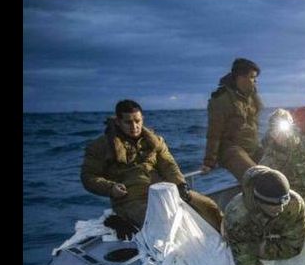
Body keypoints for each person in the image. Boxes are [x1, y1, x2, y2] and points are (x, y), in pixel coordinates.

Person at [81, 99, 223, 236]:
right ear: (118, 122)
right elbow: (88, 177)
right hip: (130, 199)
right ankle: (120, 220)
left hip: (163, 191)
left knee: (209, 206)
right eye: (128, 122)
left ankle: (229, 240)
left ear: (142, 118)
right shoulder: (100, 146)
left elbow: (169, 165)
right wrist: (110, 188)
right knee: (163, 223)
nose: (134, 126)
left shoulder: (155, 141)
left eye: (137, 121)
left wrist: (181, 185)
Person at [223, 166, 305, 265]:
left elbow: (294, 246)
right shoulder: (237, 216)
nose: (280, 208)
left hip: (263, 239)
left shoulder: (294, 204)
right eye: (273, 204)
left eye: (283, 201)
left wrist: (262, 248)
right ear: (259, 201)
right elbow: (247, 264)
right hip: (244, 235)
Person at [201, 58, 264, 181]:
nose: (255, 81)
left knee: (279, 168)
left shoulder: (252, 97)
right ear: (240, 78)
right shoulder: (221, 100)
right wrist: (209, 162)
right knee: (256, 177)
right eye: (252, 77)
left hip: (252, 147)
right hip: (231, 150)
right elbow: (214, 133)